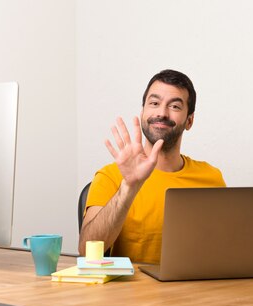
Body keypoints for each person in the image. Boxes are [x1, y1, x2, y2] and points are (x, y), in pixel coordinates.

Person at [78, 69, 225, 263]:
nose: (161, 113)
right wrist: (128, 188)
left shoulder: (211, 178)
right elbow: (87, 251)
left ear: (189, 120)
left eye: (174, 106)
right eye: (154, 103)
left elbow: (224, 249)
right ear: (143, 113)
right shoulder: (110, 176)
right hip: (130, 292)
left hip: (194, 291)